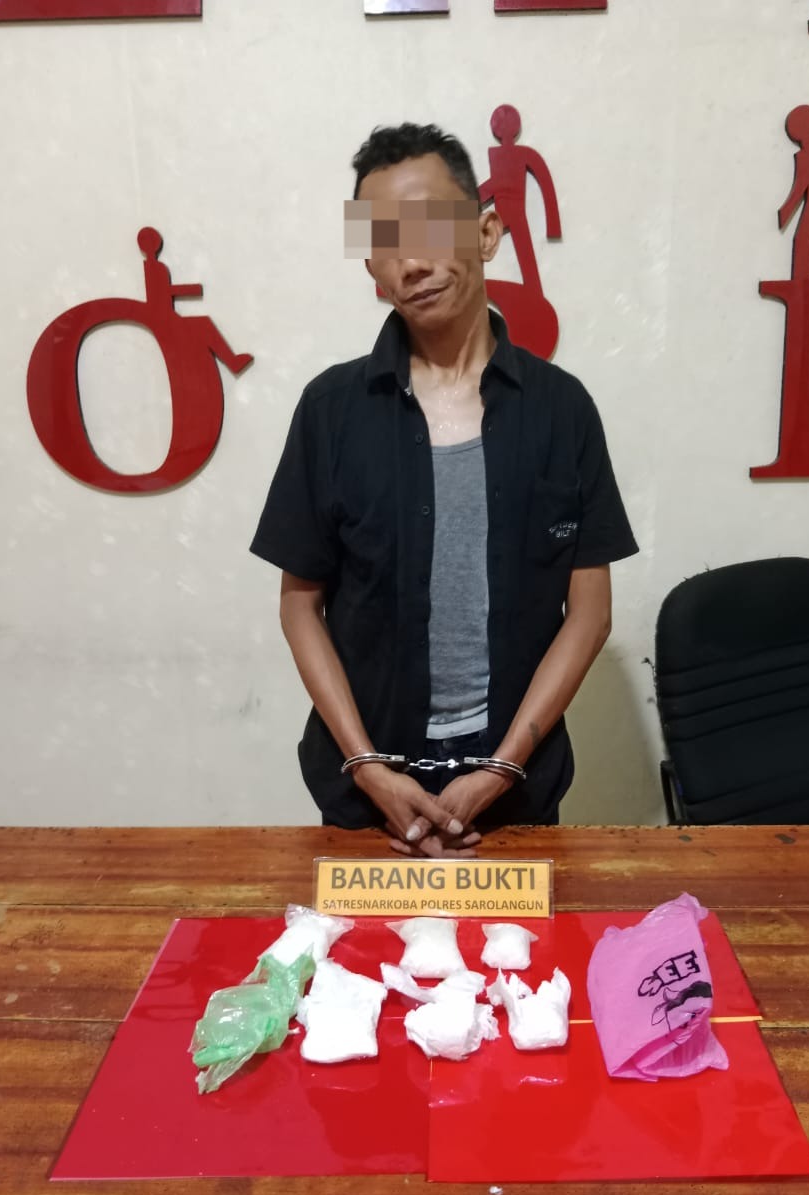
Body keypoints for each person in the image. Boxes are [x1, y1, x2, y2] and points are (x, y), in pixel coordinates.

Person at [251, 122, 637, 856]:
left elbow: (589, 616)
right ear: (370, 264)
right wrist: (369, 769)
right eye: (384, 239)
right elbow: (300, 607)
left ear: (486, 233)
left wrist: (500, 769)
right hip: (365, 800)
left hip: (517, 797)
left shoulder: (562, 410)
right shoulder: (331, 411)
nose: (413, 261)